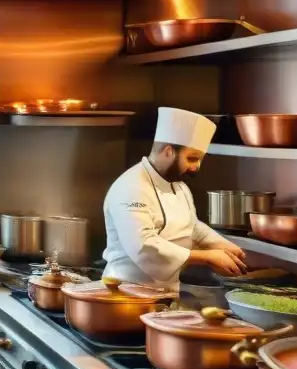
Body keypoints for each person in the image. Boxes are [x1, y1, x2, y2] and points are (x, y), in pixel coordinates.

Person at [102, 107, 247, 290]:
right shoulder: (131, 187)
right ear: (169, 151)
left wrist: (221, 245)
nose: (196, 168)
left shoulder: (179, 186)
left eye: (200, 160)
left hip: (166, 292)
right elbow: (144, 247)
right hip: (125, 292)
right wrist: (207, 257)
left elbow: (192, 226)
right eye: (192, 158)